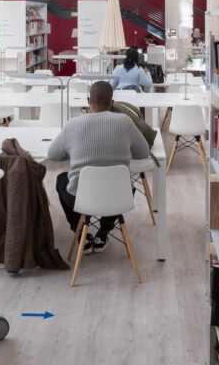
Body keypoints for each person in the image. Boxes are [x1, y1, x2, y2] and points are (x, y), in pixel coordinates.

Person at [48, 80, 147, 253]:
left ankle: (82, 235)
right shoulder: (125, 122)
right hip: (118, 197)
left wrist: (72, 151)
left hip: (81, 198)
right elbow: (143, 152)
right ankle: (103, 233)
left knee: (61, 180)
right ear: (112, 102)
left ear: (88, 101)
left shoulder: (73, 124)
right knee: (124, 187)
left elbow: (53, 155)